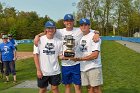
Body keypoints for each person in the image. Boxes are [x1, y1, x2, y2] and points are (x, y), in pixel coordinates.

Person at [34, 14, 100, 93]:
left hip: (76, 63)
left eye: (71, 20)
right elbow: (48, 31)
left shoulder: (79, 30)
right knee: (67, 86)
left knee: (77, 86)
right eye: (67, 21)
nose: (69, 22)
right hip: (65, 64)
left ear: (73, 22)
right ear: (64, 22)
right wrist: (37, 35)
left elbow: (90, 31)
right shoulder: (59, 31)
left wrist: (97, 33)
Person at [72, 18, 103, 93]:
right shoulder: (81, 37)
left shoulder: (94, 37)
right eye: (81, 25)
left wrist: (80, 59)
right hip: (83, 68)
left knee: (96, 89)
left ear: (89, 26)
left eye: (85, 24)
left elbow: (95, 55)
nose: (83, 26)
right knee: (89, 88)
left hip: (93, 67)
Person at [33, 21, 63, 93]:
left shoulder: (59, 42)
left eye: (52, 28)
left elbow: (60, 55)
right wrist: (38, 70)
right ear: (45, 29)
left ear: (55, 29)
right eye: (48, 28)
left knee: (55, 89)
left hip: (55, 70)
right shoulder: (39, 40)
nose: (50, 30)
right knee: (42, 89)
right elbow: (35, 55)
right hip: (43, 71)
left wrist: (68, 56)